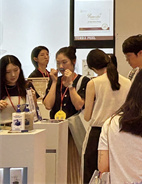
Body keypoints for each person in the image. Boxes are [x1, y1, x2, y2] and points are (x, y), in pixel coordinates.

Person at [83, 50, 131, 184]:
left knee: (93, 173)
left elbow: (87, 116)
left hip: (98, 133)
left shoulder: (93, 83)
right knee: (120, 171)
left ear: (93, 68)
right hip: (121, 132)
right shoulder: (127, 82)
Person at [43, 46, 90, 184]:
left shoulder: (83, 81)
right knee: (55, 167)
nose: (61, 67)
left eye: (65, 62)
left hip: (73, 131)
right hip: (55, 130)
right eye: (58, 63)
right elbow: (48, 105)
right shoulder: (55, 81)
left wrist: (70, 85)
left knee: (73, 168)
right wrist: (54, 82)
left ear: (73, 61)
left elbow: (79, 105)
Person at [1, 55, 35, 124]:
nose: (13, 75)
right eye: (8, 72)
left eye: (16, 70)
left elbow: (34, 111)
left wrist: (33, 99)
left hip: (24, 126)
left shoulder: (27, 86)